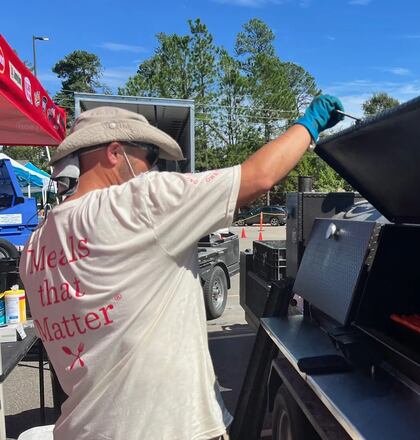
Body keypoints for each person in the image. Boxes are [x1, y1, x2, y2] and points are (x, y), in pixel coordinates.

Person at [19, 96, 345, 440]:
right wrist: (310, 125)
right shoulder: (138, 202)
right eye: (150, 157)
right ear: (114, 153)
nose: (153, 169)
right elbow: (259, 177)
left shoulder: (36, 245)